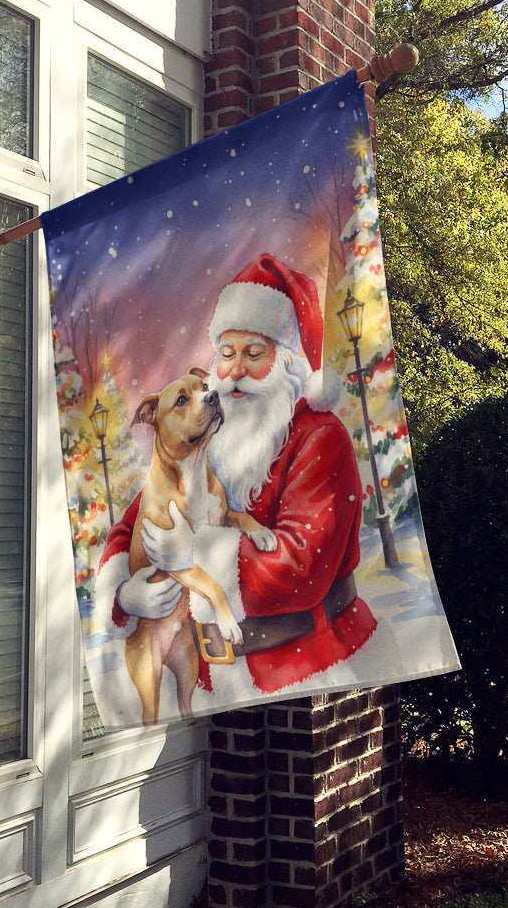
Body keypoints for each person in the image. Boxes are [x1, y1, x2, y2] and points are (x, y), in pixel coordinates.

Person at [95, 253, 377, 694]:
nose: (236, 371)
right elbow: (135, 520)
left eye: (254, 354)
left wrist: (196, 551)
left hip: (303, 673)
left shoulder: (320, 437)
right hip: (209, 679)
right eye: (226, 354)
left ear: (286, 361)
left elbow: (302, 567)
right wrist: (124, 593)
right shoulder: (208, 435)